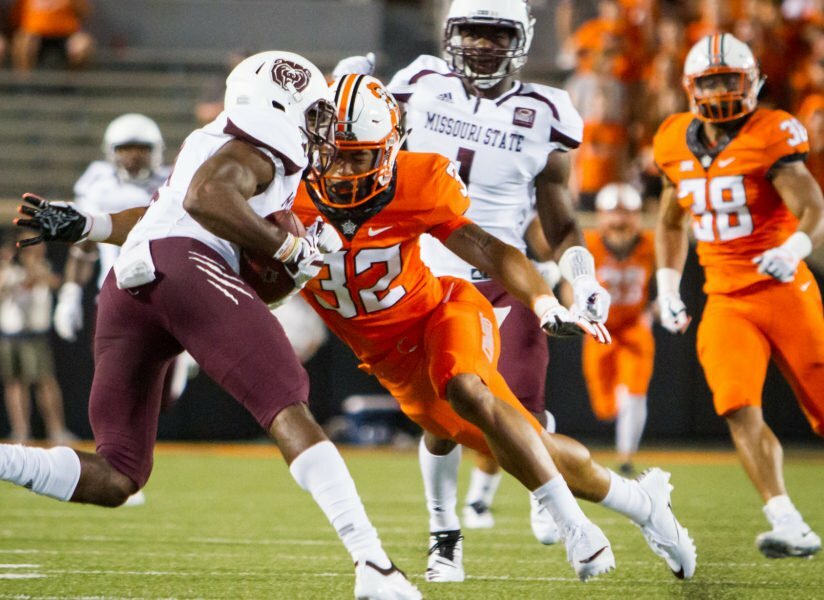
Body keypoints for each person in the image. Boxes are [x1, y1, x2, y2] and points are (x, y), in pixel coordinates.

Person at [0, 51, 422, 600]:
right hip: (183, 267)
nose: (321, 129)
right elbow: (206, 199)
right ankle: (373, 564)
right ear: (278, 108)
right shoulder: (261, 146)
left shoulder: (215, 142)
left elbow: (163, 213)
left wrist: (91, 224)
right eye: (314, 114)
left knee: (118, 473)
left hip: (131, 285)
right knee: (286, 400)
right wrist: (287, 247)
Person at [295, 73, 695, 583]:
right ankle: (642, 503)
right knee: (528, 444)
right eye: (333, 154)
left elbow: (487, 248)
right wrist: (286, 262)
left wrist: (545, 302)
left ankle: (575, 528)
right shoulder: (283, 198)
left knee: (466, 387)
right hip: (392, 362)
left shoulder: (415, 181)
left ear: (390, 149)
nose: (343, 170)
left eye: (360, 157)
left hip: (444, 311)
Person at [332, 0, 612, 549]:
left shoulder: (547, 111)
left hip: (505, 275)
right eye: (471, 31)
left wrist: (585, 280)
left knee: (523, 412)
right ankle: (444, 531)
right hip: (425, 276)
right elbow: (355, 133)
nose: (482, 44)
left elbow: (561, 222)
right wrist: (343, 86)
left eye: (495, 33)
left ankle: (546, 491)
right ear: (450, 33)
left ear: (520, 39)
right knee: (440, 421)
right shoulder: (418, 82)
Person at [654, 32, 824, 559]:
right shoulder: (672, 140)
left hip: (782, 287)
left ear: (752, 82)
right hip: (725, 296)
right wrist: (666, 284)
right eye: (712, 82)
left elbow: (813, 207)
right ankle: (787, 521)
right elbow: (670, 221)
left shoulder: (771, 133)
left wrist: (794, 249)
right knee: (734, 402)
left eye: (731, 79)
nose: (722, 90)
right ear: (692, 87)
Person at [53, 113, 168, 344]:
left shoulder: (171, 184)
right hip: (113, 295)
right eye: (125, 148)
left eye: (142, 148)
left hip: (166, 297)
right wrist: (70, 294)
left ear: (156, 150)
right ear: (111, 151)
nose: (134, 155)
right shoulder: (98, 185)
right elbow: (85, 244)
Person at [582, 183, 655, 475]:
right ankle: (615, 421)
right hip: (599, 329)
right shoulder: (589, 244)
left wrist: (657, 308)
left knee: (635, 390)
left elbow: (666, 278)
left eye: (626, 213)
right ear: (601, 216)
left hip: (634, 326)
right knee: (605, 406)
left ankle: (626, 456)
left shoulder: (651, 244)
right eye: (614, 213)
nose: (620, 220)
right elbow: (568, 284)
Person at [0, 234, 74, 444]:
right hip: (9, 334)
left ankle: (56, 429)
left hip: (35, 335)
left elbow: (52, 282)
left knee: (45, 382)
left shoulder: (44, 266)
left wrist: (32, 263)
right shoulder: (8, 270)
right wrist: (2, 264)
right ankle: (20, 431)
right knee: (14, 384)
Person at [10, 0, 94, 72]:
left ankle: (72, 83)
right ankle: (25, 83)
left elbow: (84, 13)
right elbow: (14, 17)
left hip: (67, 34)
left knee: (82, 46)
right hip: (35, 34)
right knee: (24, 42)